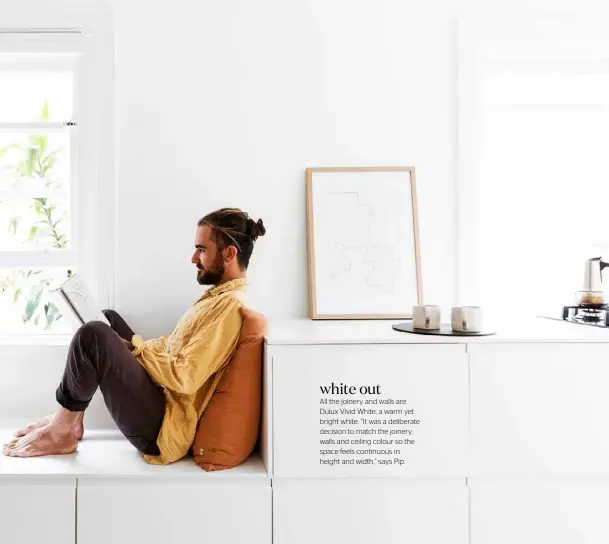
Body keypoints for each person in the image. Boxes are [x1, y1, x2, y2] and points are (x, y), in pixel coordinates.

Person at [2, 208, 266, 465]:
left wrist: (136, 350)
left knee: (94, 334)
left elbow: (185, 378)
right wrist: (131, 345)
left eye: (201, 249)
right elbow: (176, 346)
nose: (193, 258)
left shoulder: (229, 308)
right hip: (162, 400)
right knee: (108, 320)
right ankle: (72, 418)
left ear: (229, 253)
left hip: (163, 428)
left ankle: (61, 432)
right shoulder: (217, 298)